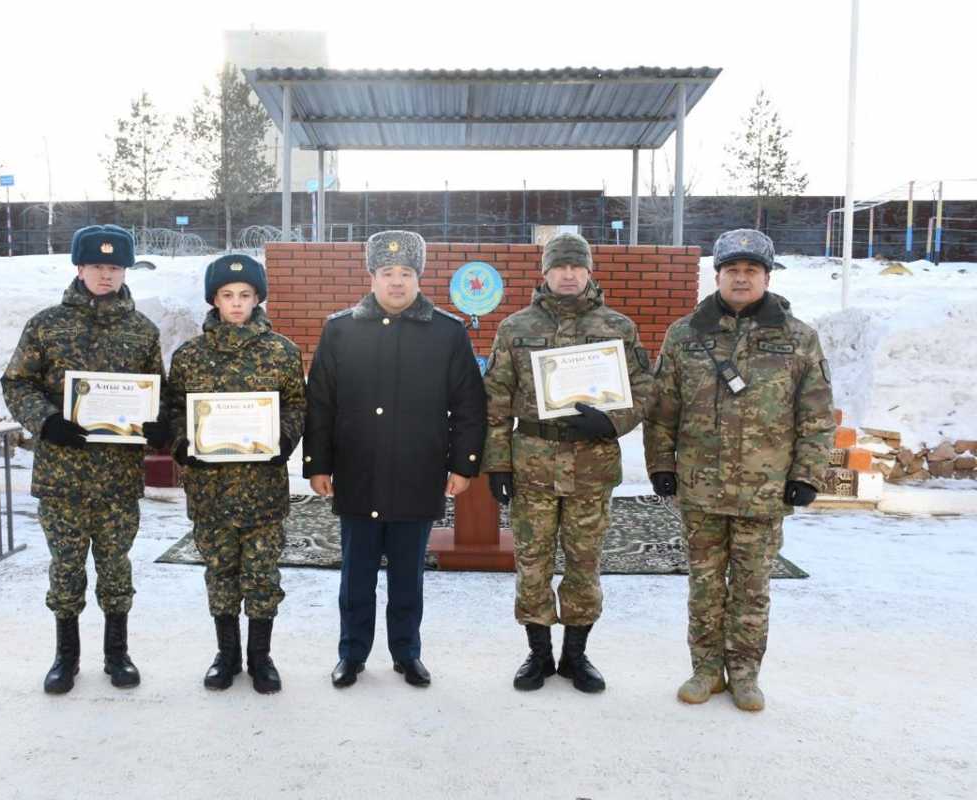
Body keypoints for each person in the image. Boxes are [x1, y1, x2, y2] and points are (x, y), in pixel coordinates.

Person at [644, 228, 835, 712]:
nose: (742, 278)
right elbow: (662, 409)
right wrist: (661, 465)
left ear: (767, 277)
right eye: (733, 270)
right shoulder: (685, 335)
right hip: (700, 489)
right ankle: (706, 670)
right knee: (704, 585)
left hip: (765, 490)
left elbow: (815, 414)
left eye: (752, 270)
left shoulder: (798, 339)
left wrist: (806, 475)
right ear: (718, 276)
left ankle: (746, 674)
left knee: (752, 588)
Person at [303, 229, 486, 689]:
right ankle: (352, 654)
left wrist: (463, 465)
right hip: (357, 472)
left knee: (408, 577)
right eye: (387, 273)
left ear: (419, 276)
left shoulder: (446, 332)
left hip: (417, 473)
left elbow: (468, 404)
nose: (397, 282)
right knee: (356, 577)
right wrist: (318, 463)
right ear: (372, 276)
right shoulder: (340, 329)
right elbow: (320, 403)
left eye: (406, 272)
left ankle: (407, 653)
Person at [482, 233, 653, 693]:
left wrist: (611, 421)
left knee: (584, 561)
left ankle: (576, 655)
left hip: (590, 466)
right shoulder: (514, 328)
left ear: (589, 271)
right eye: (560, 267)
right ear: (545, 272)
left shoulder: (618, 326)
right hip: (533, 463)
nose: (569, 274)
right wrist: (497, 465)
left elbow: (646, 390)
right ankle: (538, 654)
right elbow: (495, 400)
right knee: (532, 561)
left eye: (577, 266)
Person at [1, 224, 167, 694]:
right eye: (97, 265)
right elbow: (16, 382)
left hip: (117, 477)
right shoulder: (46, 324)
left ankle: (117, 654)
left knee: (116, 566)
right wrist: (46, 421)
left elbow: (156, 391)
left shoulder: (142, 331)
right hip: (62, 475)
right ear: (79, 267)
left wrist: (156, 424)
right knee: (66, 566)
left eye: (114, 266)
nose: (105, 274)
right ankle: (65, 657)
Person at [163, 254, 305, 694]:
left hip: (262, 489)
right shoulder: (190, 355)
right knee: (220, 572)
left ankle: (261, 658)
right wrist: (184, 444)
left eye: (245, 295)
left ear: (258, 297)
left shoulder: (281, 351)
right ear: (214, 300)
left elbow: (297, 405)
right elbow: (171, 411)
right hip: (211, 488)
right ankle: (226, 655)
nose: (237, 303)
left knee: (263, 575)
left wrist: (282, 440)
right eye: (228, 295)